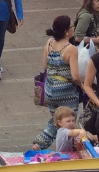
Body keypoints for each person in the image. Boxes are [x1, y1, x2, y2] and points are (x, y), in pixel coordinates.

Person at [32, 15, 81, 150]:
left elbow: (45, 66)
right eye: (72, 27)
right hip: (66, 92)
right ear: (66, 31)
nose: (73, 29)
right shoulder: (70, 49)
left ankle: (38, 145)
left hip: (50, 90)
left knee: (56, 121)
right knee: (68, 122)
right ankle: (69, 150)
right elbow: (75, 76)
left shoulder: (49, 43)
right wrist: (82, 86)